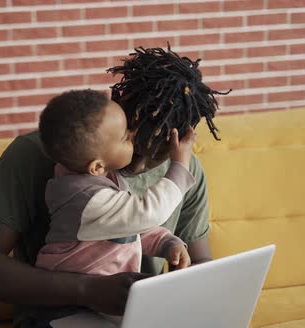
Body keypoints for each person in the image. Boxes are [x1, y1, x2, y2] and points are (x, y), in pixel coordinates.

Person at [0, 45, 232, 328]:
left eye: (157, 153)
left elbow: (198, 261)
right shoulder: (39, 155)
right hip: (58, 320)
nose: (138, 163)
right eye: (132, 141)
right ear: (118, 101)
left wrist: (178, 265)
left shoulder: (184, 168)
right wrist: (89, 290)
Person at [35, 89, 196, 276]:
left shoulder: (94, 178)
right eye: (126, 137)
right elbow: (146, 212)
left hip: (102, 296)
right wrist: (180, 164)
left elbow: (126, 228)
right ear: (97, 167)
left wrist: (166, 243)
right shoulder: (87, 200)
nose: (134, 135)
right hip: (72, 300)